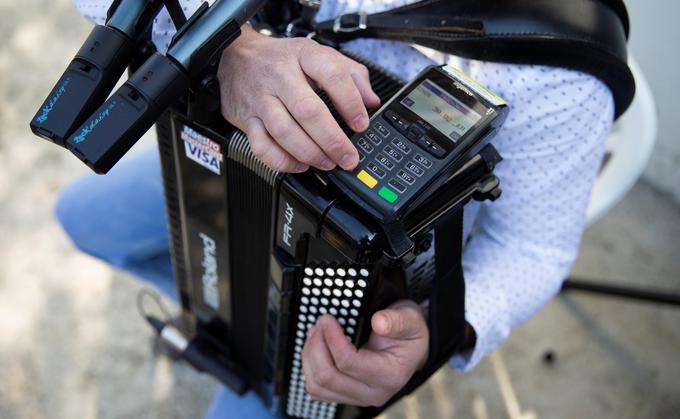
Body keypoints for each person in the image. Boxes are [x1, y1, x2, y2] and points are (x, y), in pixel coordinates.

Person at [59, 0, 615, 417]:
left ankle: (247, 354)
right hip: (237, 158)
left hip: (352, 279)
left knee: (272, 395)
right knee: (86, 219)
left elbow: (534, 248)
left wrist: (436, 329)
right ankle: (218, 320)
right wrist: (232, 46)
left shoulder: (563, 75)